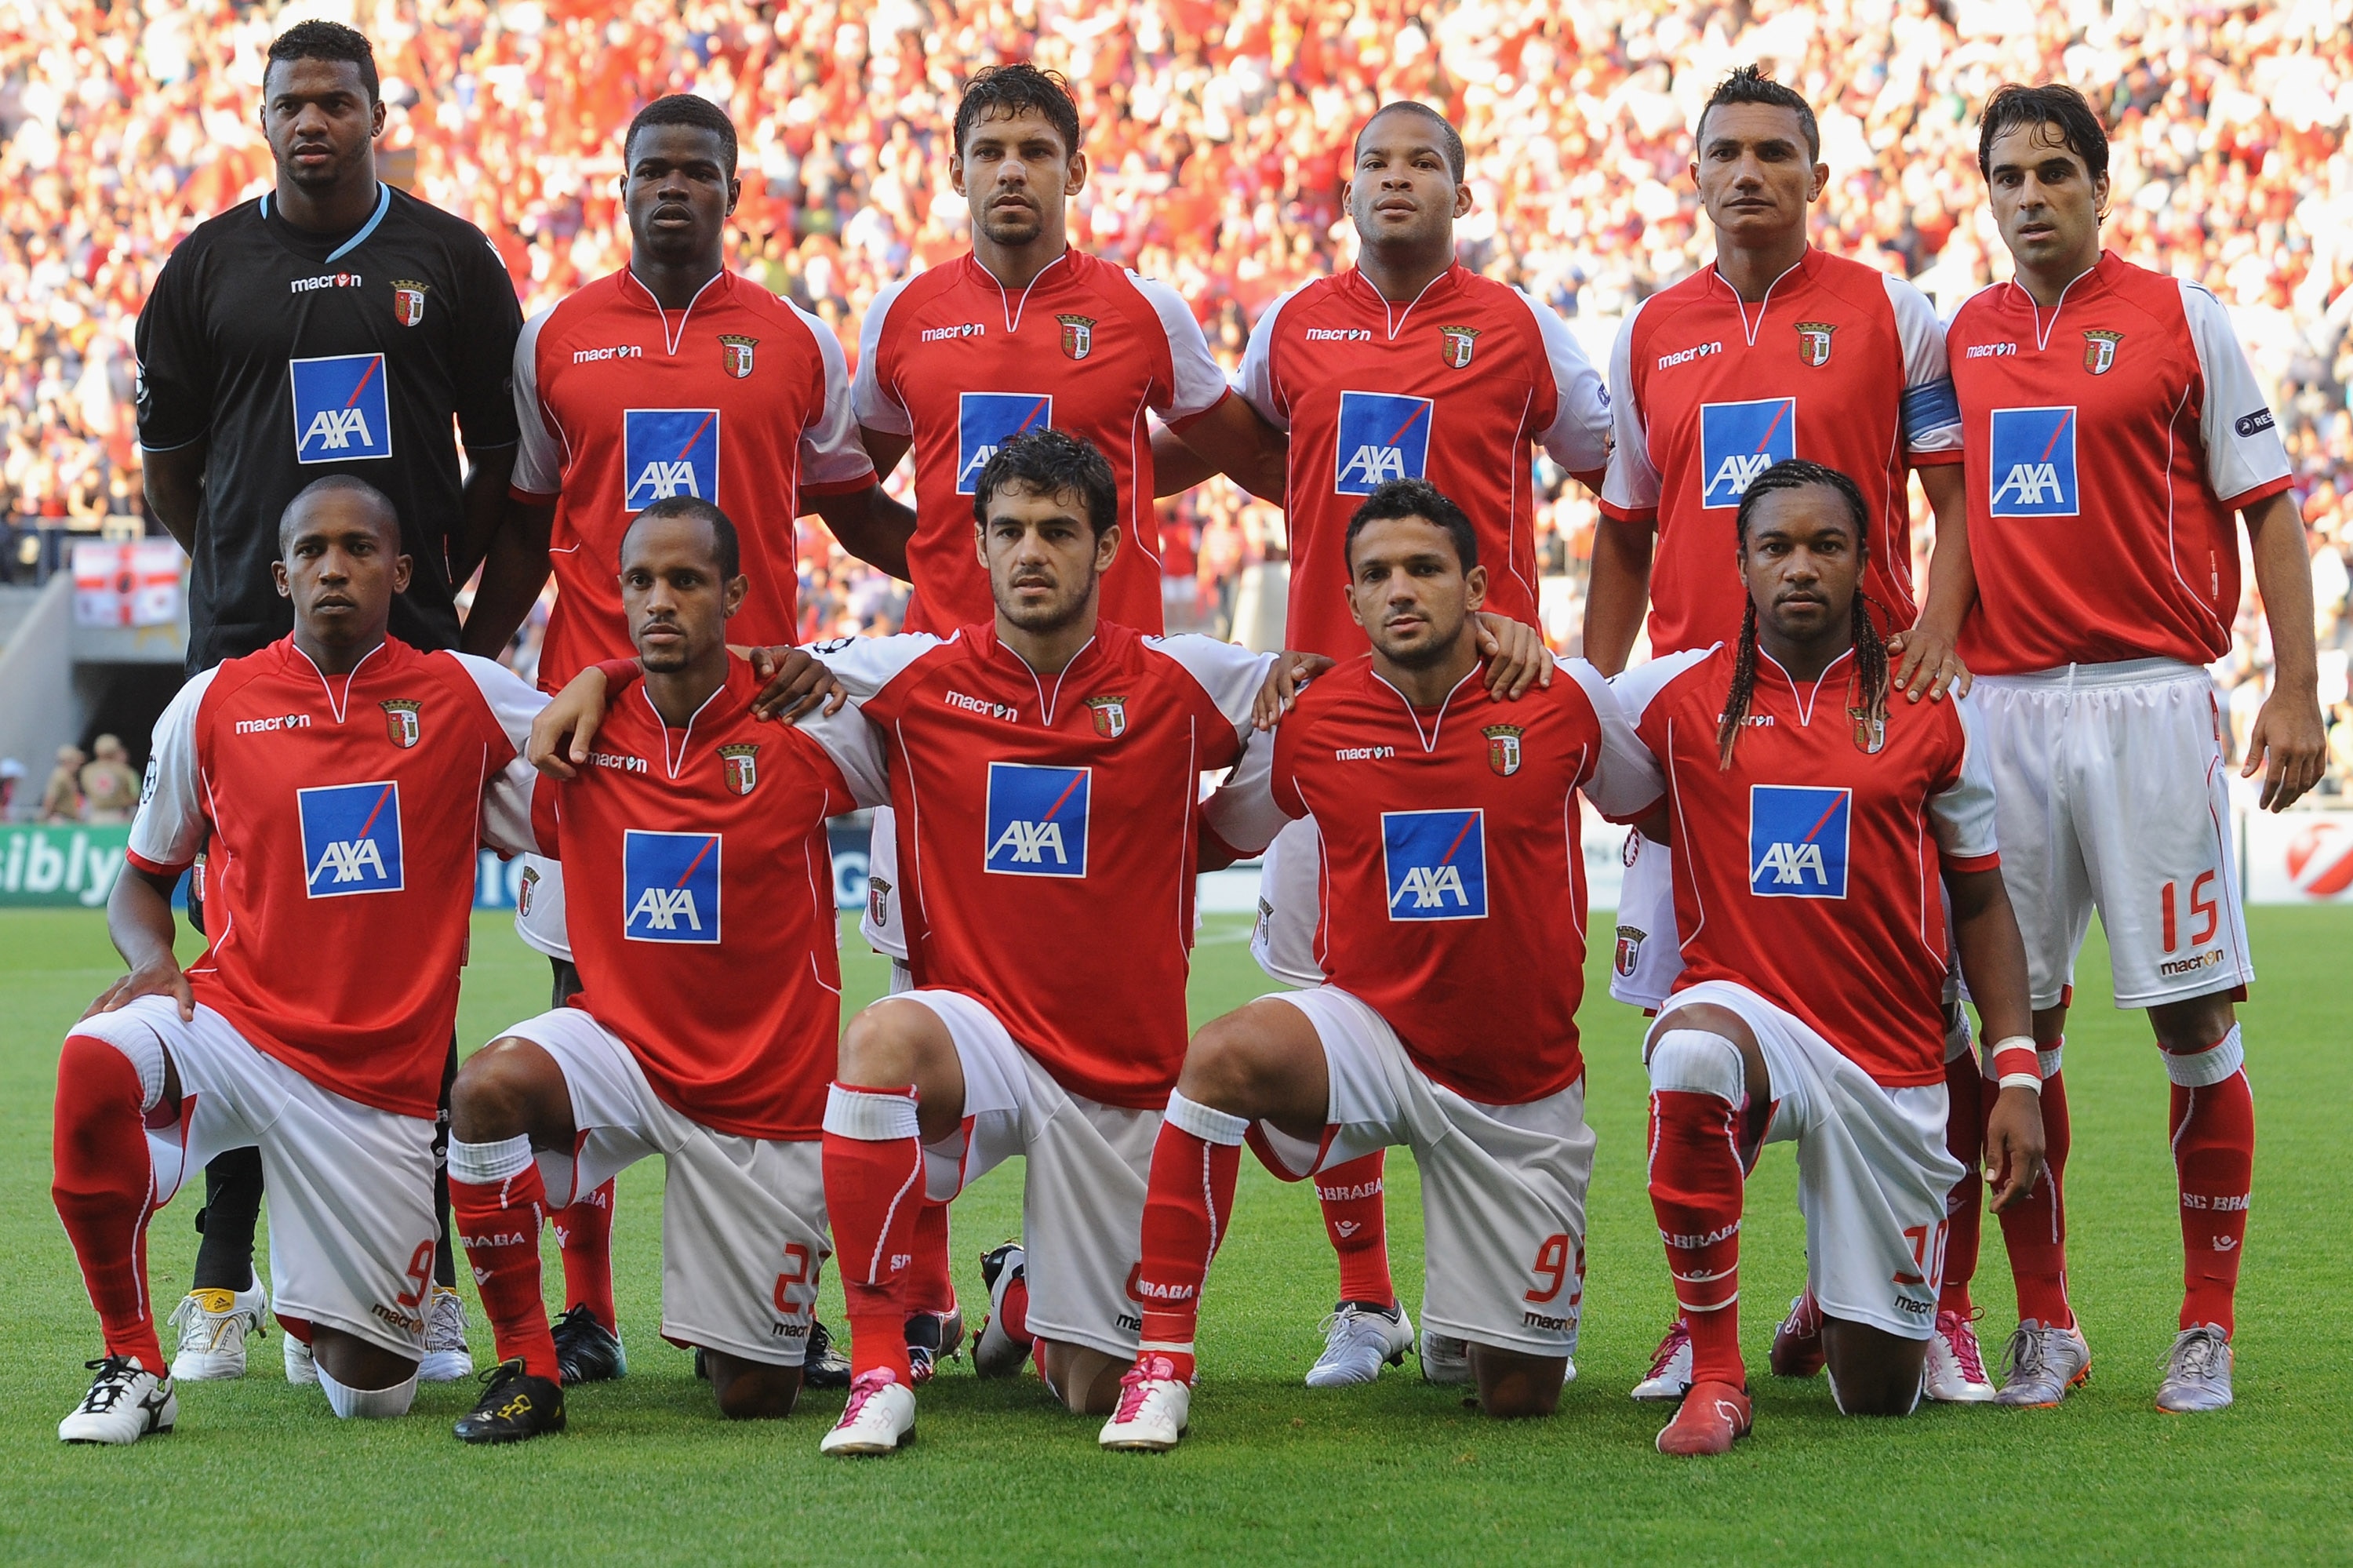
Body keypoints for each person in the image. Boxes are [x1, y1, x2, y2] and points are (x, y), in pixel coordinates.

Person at [1162, 98, 1606, 1388]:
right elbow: (1244, 448)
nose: (1397, 178)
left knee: (1493, 997)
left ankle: (1492, 1273)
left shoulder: (1518, 325)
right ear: (1343, 191)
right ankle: (1365, 1299)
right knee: (1318, 1000)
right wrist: (1098, 473)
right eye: (1376, 162)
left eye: (1423, 162)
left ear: (1460, 194)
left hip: (1484, 729)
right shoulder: (1296, 328)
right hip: (1334, 730)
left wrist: (1549, 634)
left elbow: (1616, 465)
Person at [460, 91, 895, 1391]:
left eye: (700, 173)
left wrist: (976, 565)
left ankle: (781, 1285)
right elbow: (532, 524)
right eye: (654, 170)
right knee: (581, 996)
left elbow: (851, 510)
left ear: (734, 193)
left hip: (752, 737)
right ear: (623, 184)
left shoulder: (796, 338)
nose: (675, 190)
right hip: (603, 741)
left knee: (771, 991)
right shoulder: (556, 339)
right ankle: (582, 1308)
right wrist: (488, 652)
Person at [846, 63, 1275, 1373]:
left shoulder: (1141, 311)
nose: (1013, 169)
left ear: (1076, 169)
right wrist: (931, 576)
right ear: (958, 169)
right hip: (952, 721)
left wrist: (1124, 492)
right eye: (991, 148)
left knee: (1110, 995)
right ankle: (910, 1298)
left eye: (1038, 148)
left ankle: (1046, 1272)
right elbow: (846, 478)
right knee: (923, 991)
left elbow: (1239, 442)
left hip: (1110, 715)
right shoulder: (903, 315)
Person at [1578, 64, 1985, 1405]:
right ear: (1693, 175)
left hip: (1855, 712)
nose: (1748, 172)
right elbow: (1627, 530)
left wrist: (1935, 623)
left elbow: (1950, 485)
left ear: (1818, 176)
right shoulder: (1654, 328)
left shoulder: (1890, 309)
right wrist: (1599, 685)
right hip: (1706, 719)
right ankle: (1704, 1319)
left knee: (1929, 1004)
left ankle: (1939, 1293)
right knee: (1686, 1026)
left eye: (1774, 152)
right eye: (1725, 153)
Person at [1098, 478, 1656, 1451]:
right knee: (1222, 1056)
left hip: (1513, 1085)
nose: (1401, 589)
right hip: (1371, 1035)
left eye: (1425, 568)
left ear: (1477, 585)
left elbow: (1656, 799)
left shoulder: (1560, 700)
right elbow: (1214, 837)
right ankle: (1163, 1360)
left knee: (1516, 1395)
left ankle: (1465, 1322)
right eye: (1376, 575)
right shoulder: (1312, 722)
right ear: (1350, 601)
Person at [132, 20, 523, 1384]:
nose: (314, 121)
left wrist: (451, 619)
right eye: (292, 101)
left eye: (337, 101)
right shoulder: (204, 271)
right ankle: (222, 1283)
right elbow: (172, 478)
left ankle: (430, 1280)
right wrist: (250, 585)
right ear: (262, 115)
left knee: (404, 969)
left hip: (404, 668)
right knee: (245, 972)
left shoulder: (450, 261)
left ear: (375, 112)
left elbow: (506, 470)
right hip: (250, 664)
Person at [1943, 84, 2323, 1412]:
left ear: (2102, 188)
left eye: (2056, 172)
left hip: (2154, 699)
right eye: (2008, 176)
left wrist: (2296, 692)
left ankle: (2204, 1323)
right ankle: (2045, 1319)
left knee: (2192, 1013)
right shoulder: (1963, 337)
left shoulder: (2182, 317)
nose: (2031, 194)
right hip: (2002, 710)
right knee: (2012, 1024)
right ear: (1984, 194)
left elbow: (2267, 509)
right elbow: (1936, 520)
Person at [49, 476, 541, 1443]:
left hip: (377, 1092)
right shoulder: (214, 701)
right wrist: (154, 957)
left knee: (371, 1392)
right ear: (280, 575)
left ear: (400, 572)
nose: (334, 567)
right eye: (312, 551)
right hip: (233, 1023)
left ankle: (315, 1305)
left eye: (360, 549)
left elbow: (593, 752)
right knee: (92, 1058)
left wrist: (603, 682)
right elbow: (140, 881)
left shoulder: (462, 694)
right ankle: (132, 1362)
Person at [1606, 459, 2046, 1455]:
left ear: (1863, 562)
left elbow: (1980, 899)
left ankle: (1831, 1297)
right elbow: (1549, 710)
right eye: (1777, 547)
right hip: (1751, 1021)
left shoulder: (1932, 704)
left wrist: (2013, 1068)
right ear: (1742, 563)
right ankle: (1715, 1371)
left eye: (1827, 545)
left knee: (1880, 1398)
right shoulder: (1670, 697)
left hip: (1888, 1063)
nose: (1800, 567)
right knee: (1688, 1052)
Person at [444, 497, 879, 1443]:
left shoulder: (806, 728)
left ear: (735, 594)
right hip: (625, 1053)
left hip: (764, 1098)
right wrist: (597, 675)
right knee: (484, 1090)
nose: (659, 601)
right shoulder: (579, 740)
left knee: (751, 1397)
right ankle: (529, 1364)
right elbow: (445, 752)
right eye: (640, 580)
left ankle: (775, 1324)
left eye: (685, 580)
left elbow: (937, 704)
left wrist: (808, 660)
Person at [78, 736, 140, 824]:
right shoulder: (126, 771)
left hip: (95, 816)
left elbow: (84, 792)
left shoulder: (86, 771)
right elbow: (135, 796)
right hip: (120, 816)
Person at [40, 744, 85, 824]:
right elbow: (50, 799)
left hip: (69, 819)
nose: (78, 763)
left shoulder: (68, 776)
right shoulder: (59, 776)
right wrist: (46, 817)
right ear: (67, 761)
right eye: (75, 760)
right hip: (61, 819)